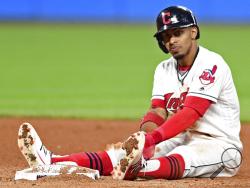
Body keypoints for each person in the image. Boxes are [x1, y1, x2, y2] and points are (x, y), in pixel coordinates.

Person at [18, 5, 242, 181]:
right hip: (183, 137)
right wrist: (145, 140)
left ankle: (140, 169)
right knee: (121, 154)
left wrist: (153, 139)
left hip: (221, 147)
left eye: (178, 33)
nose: (171, 40)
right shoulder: (164, 69)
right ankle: (52, 160)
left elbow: (191, 113)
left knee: (185, 157)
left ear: (193, 32)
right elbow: (157, 111)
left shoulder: (211, 64)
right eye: (166, 36)